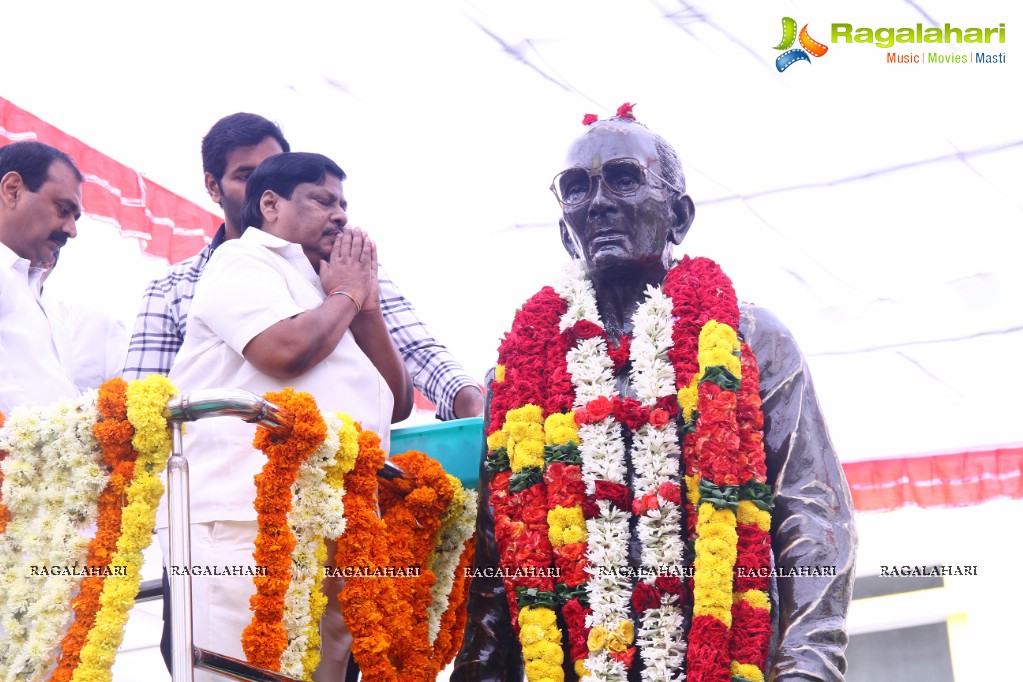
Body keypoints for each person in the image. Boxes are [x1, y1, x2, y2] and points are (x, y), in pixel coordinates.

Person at [453, 109, 856, 681]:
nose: (596, 203)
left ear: (680, 217)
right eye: (576, 189)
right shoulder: (520, 376)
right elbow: (495, 568)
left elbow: (815, 520)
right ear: (564, 227)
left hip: (726, 657)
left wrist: (807, 667)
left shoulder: (751, 340)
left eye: (623, 178)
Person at [158, 151, 412, 681]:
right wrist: (345, 292)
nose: (340, 215)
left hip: (333, 525)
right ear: (270, 204)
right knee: (235, 673)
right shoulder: (244, 260)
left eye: (344, 204)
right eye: (323, 200)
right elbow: (282, 350)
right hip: (241, 525)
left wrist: (364, 305)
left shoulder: (328, 287)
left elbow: (399, 398)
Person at [122, 112, 483, 420]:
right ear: (214, 187)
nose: (263, 183)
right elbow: (143, 410)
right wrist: (345, 296)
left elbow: (412, 363)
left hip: (332, 479)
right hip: (231, 484)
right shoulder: (179, 286)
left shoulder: (346, 266)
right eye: (246, 176)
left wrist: (476, 409)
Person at [0, 141, 82, 414]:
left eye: (75, 218)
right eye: (63, 209)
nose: (71, 230)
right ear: (12, 190)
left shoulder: (34, 290)